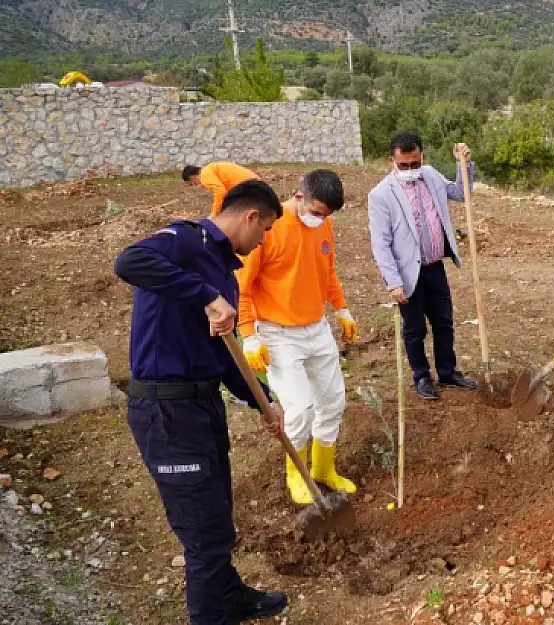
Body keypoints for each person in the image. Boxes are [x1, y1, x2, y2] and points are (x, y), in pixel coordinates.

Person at [113, 180, 289, 624]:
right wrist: (205, 296)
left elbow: (226, 357)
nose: (263, 240)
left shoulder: (224, 272)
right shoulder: (186, 241)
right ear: (250, 216)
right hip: (166, 411)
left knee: (217, 517)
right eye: (265, 229)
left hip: (202, 405)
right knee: (203, 534)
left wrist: (264, 402)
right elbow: (129, 261)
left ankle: (228, 595)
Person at [236, 169, 360, 505]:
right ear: (299, 196)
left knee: (333, 400)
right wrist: (249, 334)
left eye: (328, 215)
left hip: (316, 327)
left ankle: (323, 469)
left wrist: (341, 309)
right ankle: (297, 475)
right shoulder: (268, 228)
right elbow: (242, 287)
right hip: (277, 333)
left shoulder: (323, 226)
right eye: (317, 212)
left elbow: (327, 270)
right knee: (300, 407)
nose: (321, 220)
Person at [368, 132, 477, 401]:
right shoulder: (381, 195)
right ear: (391, 161)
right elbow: (380, 243)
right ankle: (422, 376)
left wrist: (464, 164)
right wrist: (393, 282)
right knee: (415, 329)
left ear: (422, 157)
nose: (409, 170)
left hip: (434, 267)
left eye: (413, 164)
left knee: (444, 323)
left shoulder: (430, 175)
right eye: (403, 165)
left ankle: (448, 372)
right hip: (408, 274)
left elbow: (461, 193)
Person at [183, 162, 259, 219]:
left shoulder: (204, 175)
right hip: (253, 184)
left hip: (250, 186)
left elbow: (220, 192)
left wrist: (214, 214)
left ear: (192, 177)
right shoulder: (209, 169)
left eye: (190, 184)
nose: (193, 185)